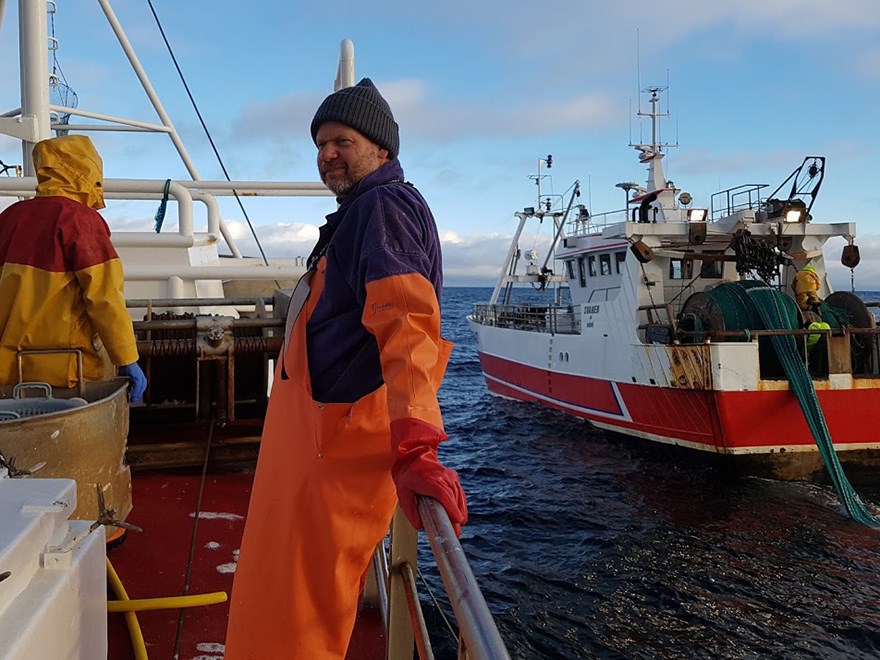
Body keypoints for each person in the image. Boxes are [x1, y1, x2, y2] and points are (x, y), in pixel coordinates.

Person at [225, 78, 468, 659]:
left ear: (383, 150)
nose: (326, 153)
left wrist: (415, 448)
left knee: (300, 616)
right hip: (311, 446)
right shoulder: (358, 215)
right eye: (320, 143)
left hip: (333, 451)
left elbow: (407, 326)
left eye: (342, 141)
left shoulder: (383, 209)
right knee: (283, 597)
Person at [0, 135, 146, 402]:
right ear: (89, 172)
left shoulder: (10, 217)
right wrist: (126, 357)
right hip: (66, 373)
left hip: (9, 374)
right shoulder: (81, 221)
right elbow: (105, 298)